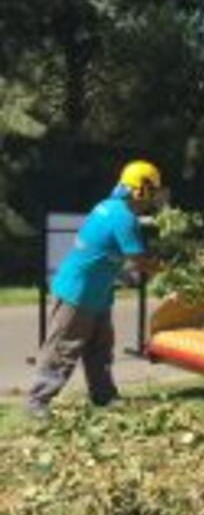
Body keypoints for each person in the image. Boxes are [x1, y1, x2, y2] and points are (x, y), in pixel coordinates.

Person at [25, 160, 163, 419]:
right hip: (78, 293)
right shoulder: (124, 217)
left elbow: (107, 251)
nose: (153, 198)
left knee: (100, 348)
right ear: (140, 190)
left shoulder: (106, 207)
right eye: (152, 191)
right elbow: (139, 260)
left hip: (96, 292)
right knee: (63, 348)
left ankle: (104, 397)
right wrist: (168, 271)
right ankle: (37, 401)